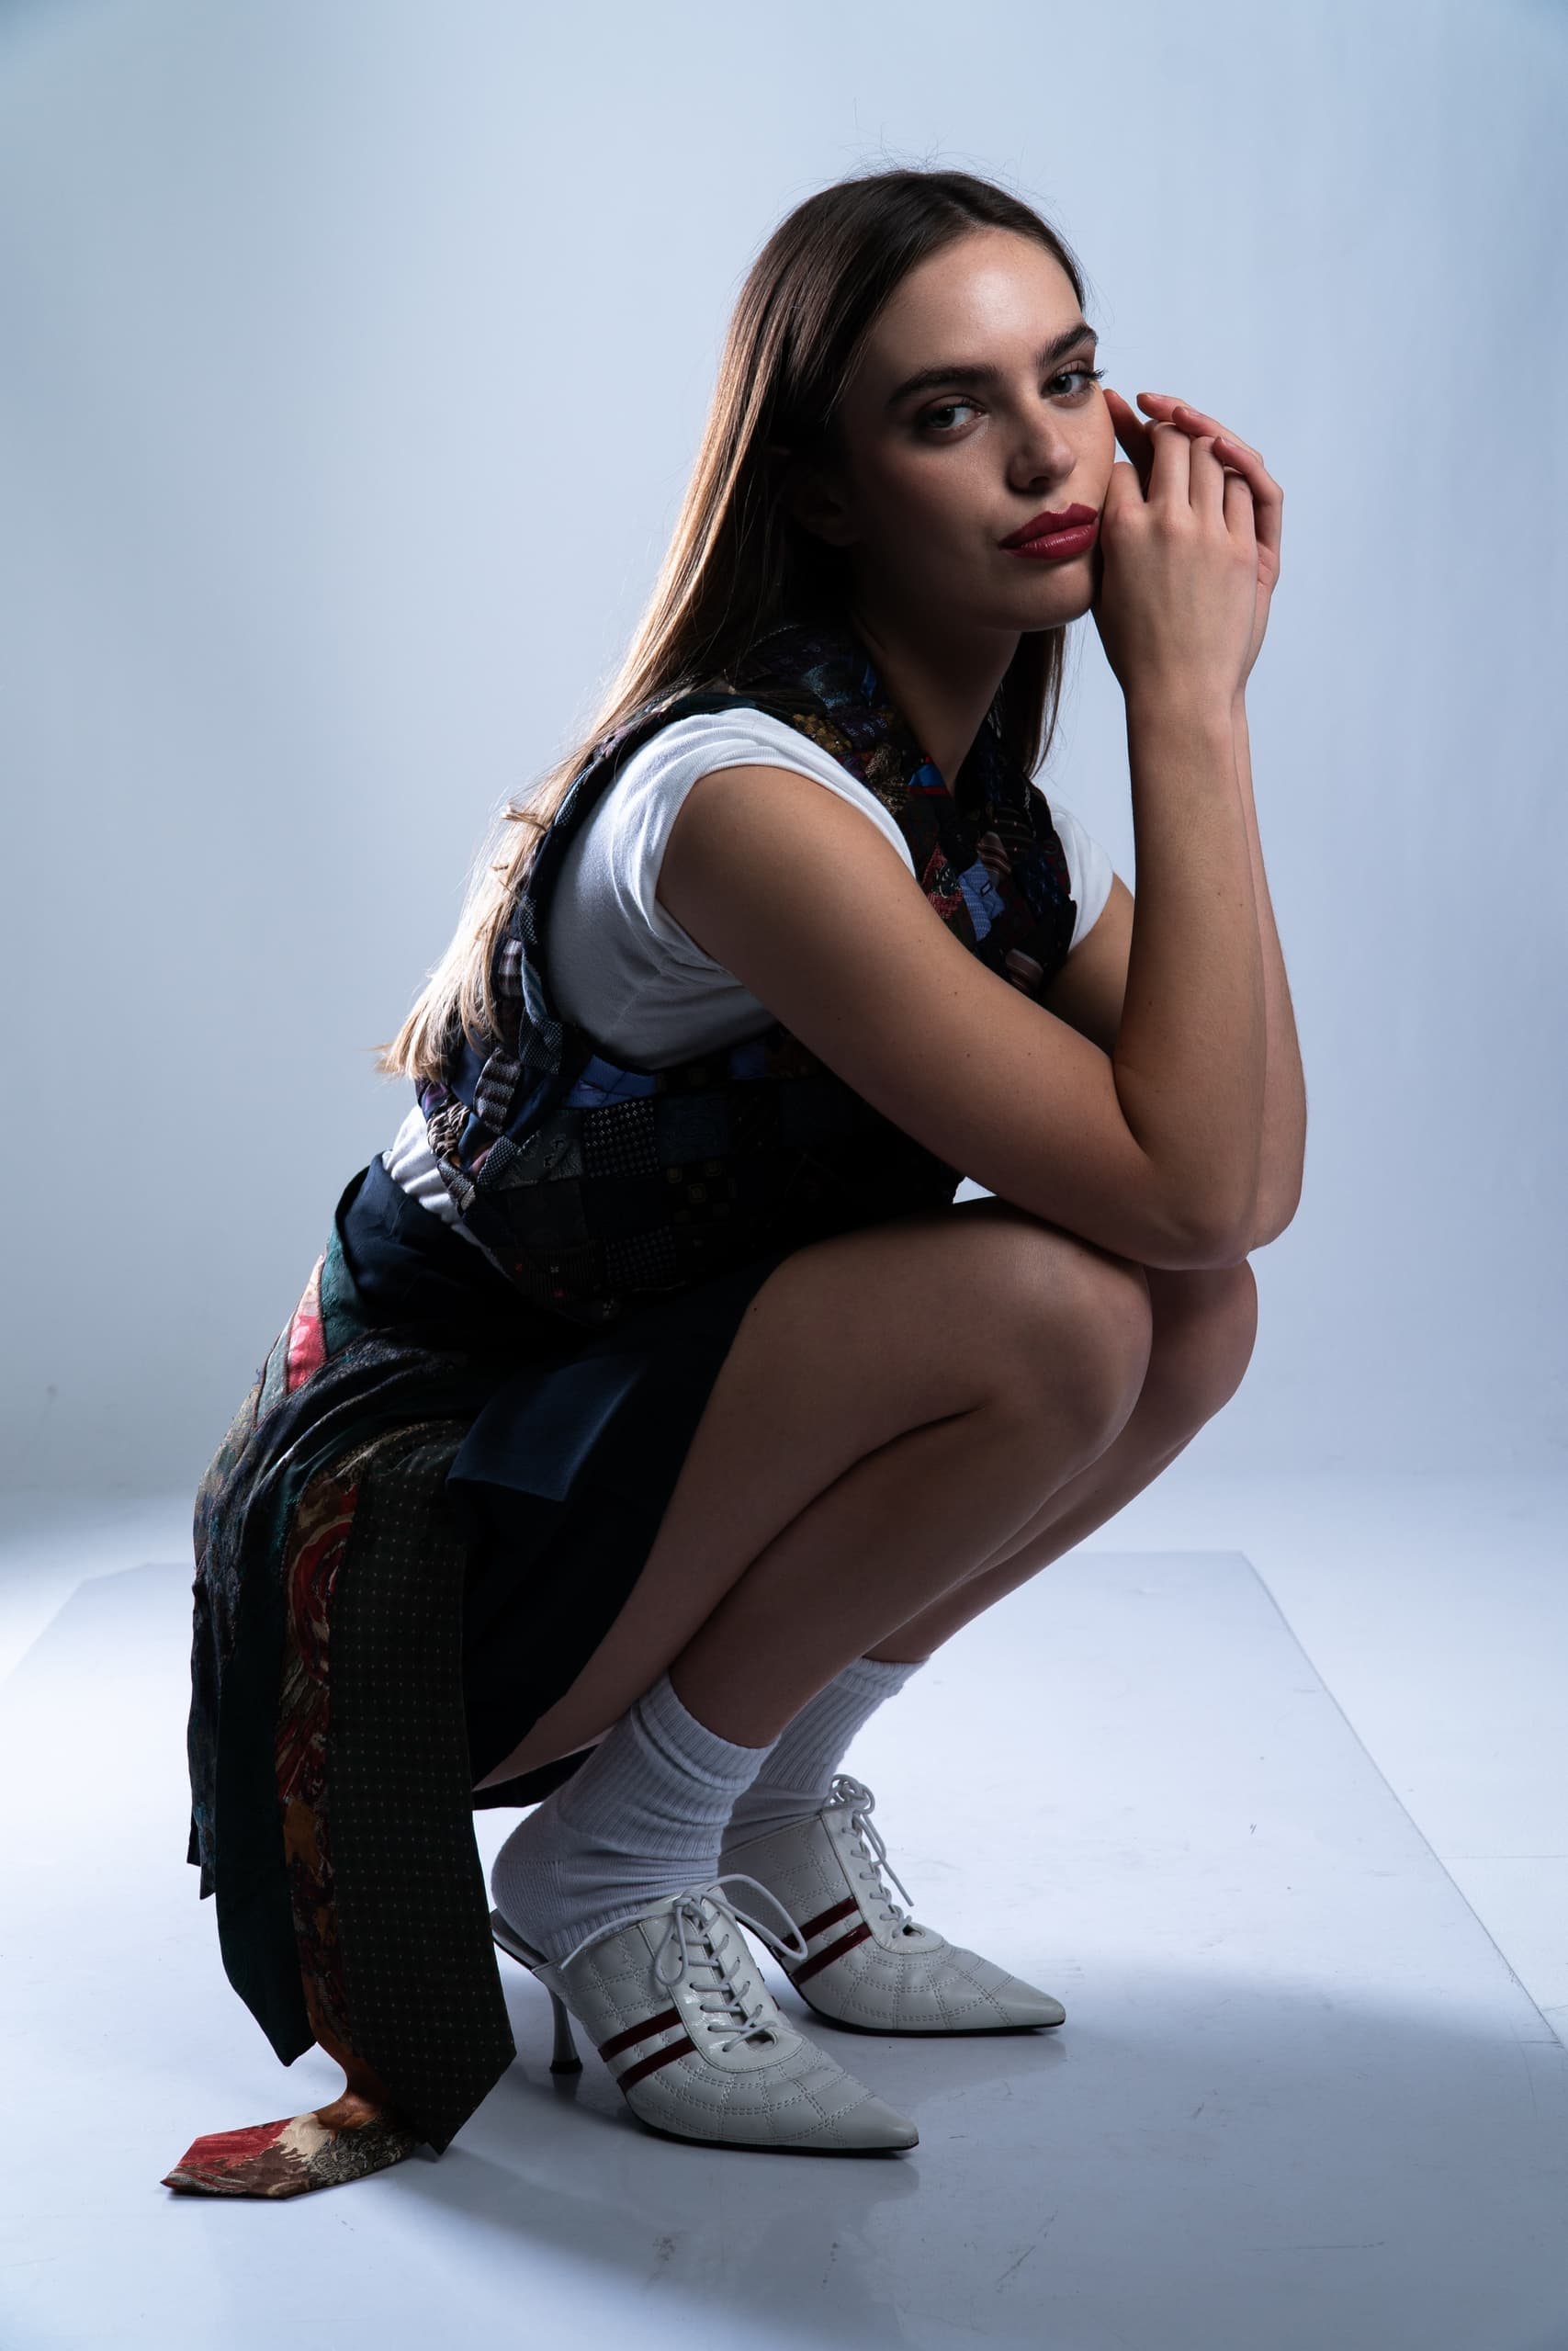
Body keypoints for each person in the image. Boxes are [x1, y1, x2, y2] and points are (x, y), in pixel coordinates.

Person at [168, 164, 1301, 2196]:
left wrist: (1187, 722)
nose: (1051, 453)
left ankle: (766, 1802)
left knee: (1186, 1311)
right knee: (1054, 1307)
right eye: (947, 410)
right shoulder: (750, 807)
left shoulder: (973, 816)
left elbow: (1233, 1195)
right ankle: (615, 1854)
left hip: (604, 1489)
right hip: (415, 1570)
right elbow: (1192, 1178)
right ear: (827, 489)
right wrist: (1190, 711)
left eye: (1070, 377)